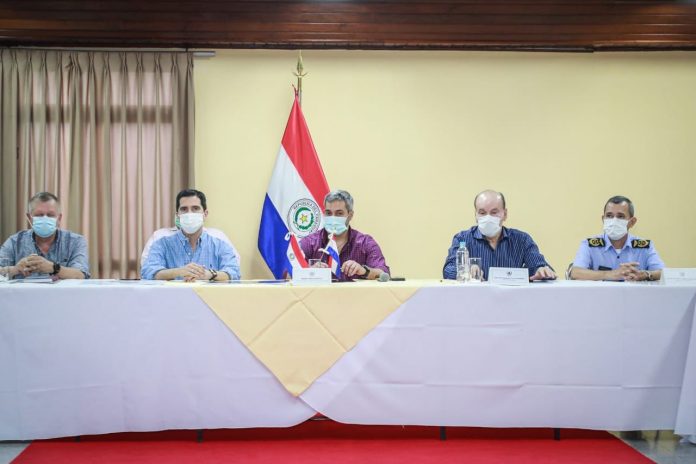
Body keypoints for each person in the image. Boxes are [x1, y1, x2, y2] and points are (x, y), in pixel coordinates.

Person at [443, 189, 555, 281]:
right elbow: (448, 270)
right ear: (476, 215)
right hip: (475, 301)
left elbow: (539, 267)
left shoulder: (522, 240)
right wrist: (466, 271)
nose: (488, 218)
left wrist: (542, 270)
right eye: (482, 213)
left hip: (512, 302)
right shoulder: (462, 238)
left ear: (505, 214)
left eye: (494, 212)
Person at [141, 189, 240, 281]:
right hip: (172, 298)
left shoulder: (219, 244)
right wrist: (178, 272)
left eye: (195, 208)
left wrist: (209, 274)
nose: (189, 213)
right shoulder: (162, 243)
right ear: (177, 216)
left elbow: (234, 272)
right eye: (184, 209)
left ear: (205, 214)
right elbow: (148, 272)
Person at [300, 190, 390, 281]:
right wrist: (309, 272)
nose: (333, 218)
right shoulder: (309, 242)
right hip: (319, 295)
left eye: (339, 213)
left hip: (355, 295)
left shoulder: (365, 243)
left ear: (350, 215)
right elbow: (287, 273)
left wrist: (364, 271)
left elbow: (384, 274)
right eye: (328, 213)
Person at [570, 195, 663, 281]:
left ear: (632, 222)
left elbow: (663, 273)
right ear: (603, 219)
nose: (614, 220)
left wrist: (646, 274)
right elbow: (576, 272)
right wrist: (609, 274)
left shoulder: (644, 246)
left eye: (620, 216)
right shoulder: (590, 244)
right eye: (609, 216)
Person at [0, 192, 90, 279]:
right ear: (29, 217)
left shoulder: (75, 241)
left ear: (59, 218)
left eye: (50, 215)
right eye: (39, 215)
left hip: (61, 294)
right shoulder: (14, 242)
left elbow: (81, 275)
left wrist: (54, 268)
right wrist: (15, 269)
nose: (45, 218)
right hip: (23, 294)